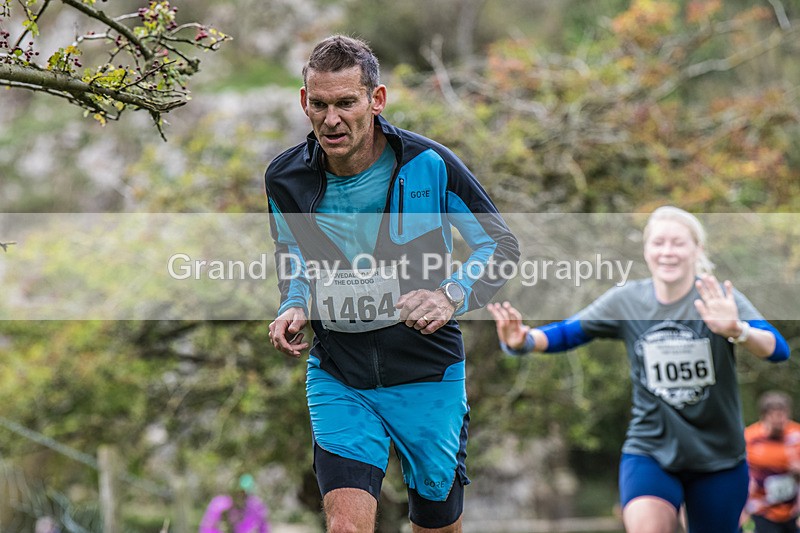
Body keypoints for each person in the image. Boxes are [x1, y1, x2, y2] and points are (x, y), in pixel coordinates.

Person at [265, 35, 519, 532]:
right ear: (304, 102)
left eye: (346, 103)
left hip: (427, 374)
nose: (331, 119)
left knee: (436, 526)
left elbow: (501, 247)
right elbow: (291, 253)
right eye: (318, 104)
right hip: (340, 372)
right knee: (345, 526)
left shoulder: (431, 165)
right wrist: (293, 304)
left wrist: (451, 294)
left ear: (376, 100)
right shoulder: (285, 179)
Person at [488, 206, 791, 533]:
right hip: (650, 451)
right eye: (658, 243)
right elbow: (568, 332)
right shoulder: (627, 301)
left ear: (697, 249)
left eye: (678, 243)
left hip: (718, 458)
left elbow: (777, 349)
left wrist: (736, 329)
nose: (667, 252)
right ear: (646, 251)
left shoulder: (716, 298)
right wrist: (522, 341)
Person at [743, 391, 800, 533]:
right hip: (762, 509)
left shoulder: (796, 434)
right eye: (775, 416)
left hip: (792, 509)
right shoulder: (749, 438)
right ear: (764, 416)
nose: (780, 421)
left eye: (783, 415)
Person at [199, 474, 270, 533]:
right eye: (238, 492)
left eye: (243, 493)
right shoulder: (219, 504)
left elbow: (263, 527)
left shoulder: (255, 505)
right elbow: (207, 527)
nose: (240, 496)